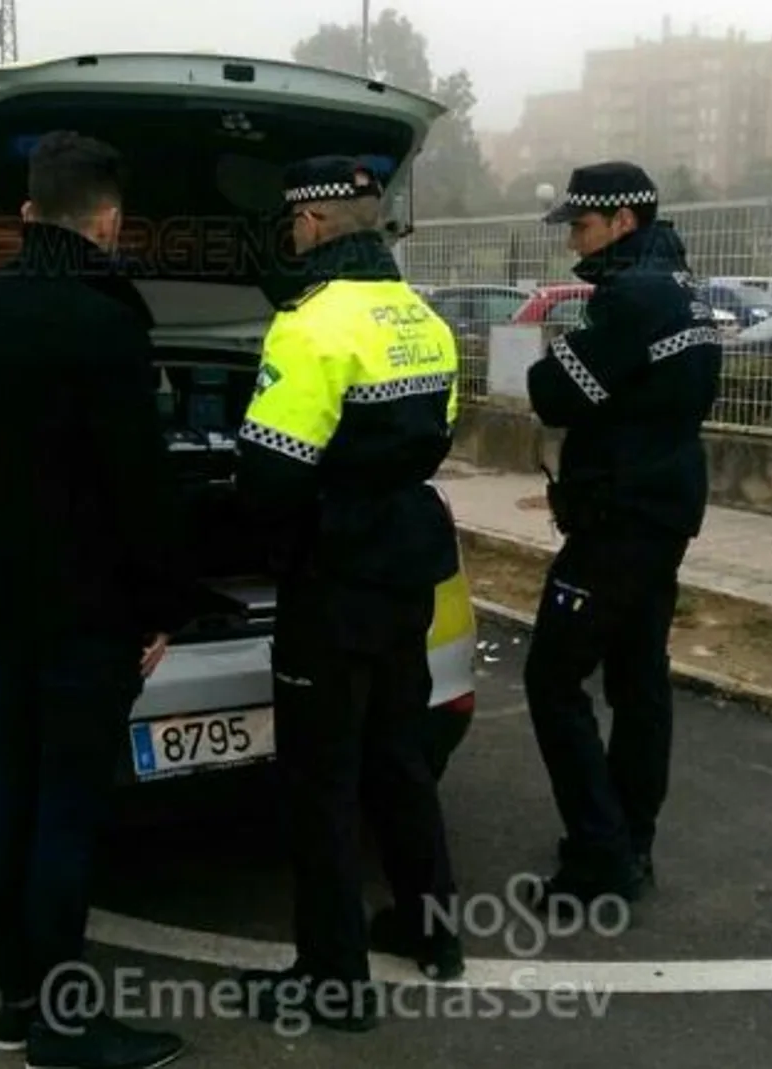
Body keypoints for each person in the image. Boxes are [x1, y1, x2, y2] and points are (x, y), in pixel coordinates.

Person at [0, 129, 194, 1069]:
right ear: (111, 223)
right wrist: (160, 606)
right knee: (69, 816)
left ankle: (14, 1004)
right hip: (88, 614)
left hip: (4, 600)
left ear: (31, 215)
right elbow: (139, 486)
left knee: (17, 792)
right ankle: (64, 1027)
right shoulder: (106, 322)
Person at [231, 155, 467, 1032]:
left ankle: (333, 979)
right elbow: (437, 438)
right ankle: (431, 929)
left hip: (331, 584)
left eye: (295, 223)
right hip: (406, 571)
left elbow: (269, 475)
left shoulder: (308, 325)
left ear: (320, 223)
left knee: (322, 782)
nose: (292, 236)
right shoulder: (426, 319)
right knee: (399, 756)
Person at [519, 161, 723, 910]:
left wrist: (550, 359)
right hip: (662, 509)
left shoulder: (631, 297)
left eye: (580, 224)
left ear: (622, 221)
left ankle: (602, 855)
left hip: (619, 517)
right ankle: (631, 840)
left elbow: (553, 394)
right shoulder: (681, 289)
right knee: (638, 681)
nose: (573, 238)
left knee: (551, 679)